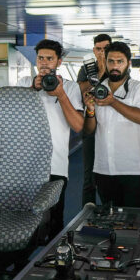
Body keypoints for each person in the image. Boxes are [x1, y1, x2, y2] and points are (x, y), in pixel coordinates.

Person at [17, 39, 84, 240]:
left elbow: (78, 126)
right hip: (23, 166)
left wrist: (61, 94)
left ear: (59, 62)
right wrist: (32, 90)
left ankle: (54, 262)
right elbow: (13, 117)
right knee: (24, 220)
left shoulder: (70, 88)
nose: (44, 63)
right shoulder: (22, 84)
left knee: (54, 221)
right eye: (40, 58)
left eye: (49, 59)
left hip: (56, 165)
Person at [83, 41, 140, 207]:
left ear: (128, 63)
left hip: (133, 170)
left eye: (119, 61)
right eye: (110, 61)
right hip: (103, 169)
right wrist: (90, 109)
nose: (115, 66)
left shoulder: (139, 89)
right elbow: (89, 130)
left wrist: (112, 101)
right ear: (105, 63)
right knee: (109, 219)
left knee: (133, 223)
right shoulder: (98, 89)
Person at [77, 33, 111, 207]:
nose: (102, 52)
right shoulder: (86, 68)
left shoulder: (117, 66)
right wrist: (98, 73)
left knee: (110, 172)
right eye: (99, 49)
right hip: (90, 123)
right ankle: (86, 213)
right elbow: (80, 89)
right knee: (89, 174)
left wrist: (107, 69)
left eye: (106, 48)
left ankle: (110, 210)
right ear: (94, 50)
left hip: (111, 126)